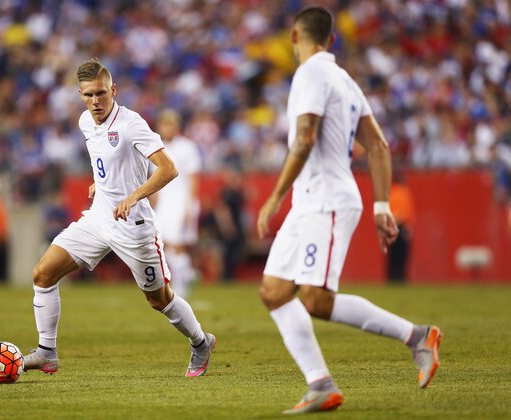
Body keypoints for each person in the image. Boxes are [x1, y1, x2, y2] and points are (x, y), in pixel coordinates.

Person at [256, 7, 442, 414]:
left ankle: (418, 336)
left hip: (326, 199)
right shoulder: (344, 79)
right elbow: (378, 145)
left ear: (294, 37)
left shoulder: (310, 74)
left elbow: (304, 139)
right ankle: (320, 385)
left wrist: (274, 196)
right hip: (314, 200)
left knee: (316, 299)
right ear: (332, 40)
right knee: (273, 291)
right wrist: (381, 205)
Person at [24, 59, 216, 378]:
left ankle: (200, 342)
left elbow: (169, 168)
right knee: (43, 274)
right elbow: (106, 161)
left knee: (160, 300)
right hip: (99, 218)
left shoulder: (131, 124)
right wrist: (101, 184)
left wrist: (133, 195)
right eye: (88, 95)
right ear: (80, 95)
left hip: (135, 228)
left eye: (101, 93)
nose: (95, 101)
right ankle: (47, 352)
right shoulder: (87, 122)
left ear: (113, 90)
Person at [149, 109, 202, 299]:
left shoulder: (187, 147)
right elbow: (153, 181)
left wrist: (190, 206)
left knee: (177, 243)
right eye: (164, 124)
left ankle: (182, 283)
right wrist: (152, 206)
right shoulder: (155, 149)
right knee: (162, 242)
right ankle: (187, 273)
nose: (166, 128)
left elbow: (193, 178)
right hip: (163, 202)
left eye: (170, 124)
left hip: (180, 200)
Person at [387, 171, 415, 283]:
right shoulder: (405, 193)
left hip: (391, 227)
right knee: (402, 256)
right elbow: (408, 213)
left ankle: (392, 278)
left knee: (392, 256)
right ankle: (400, 278)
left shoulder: (390, 193)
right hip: (402, 227)